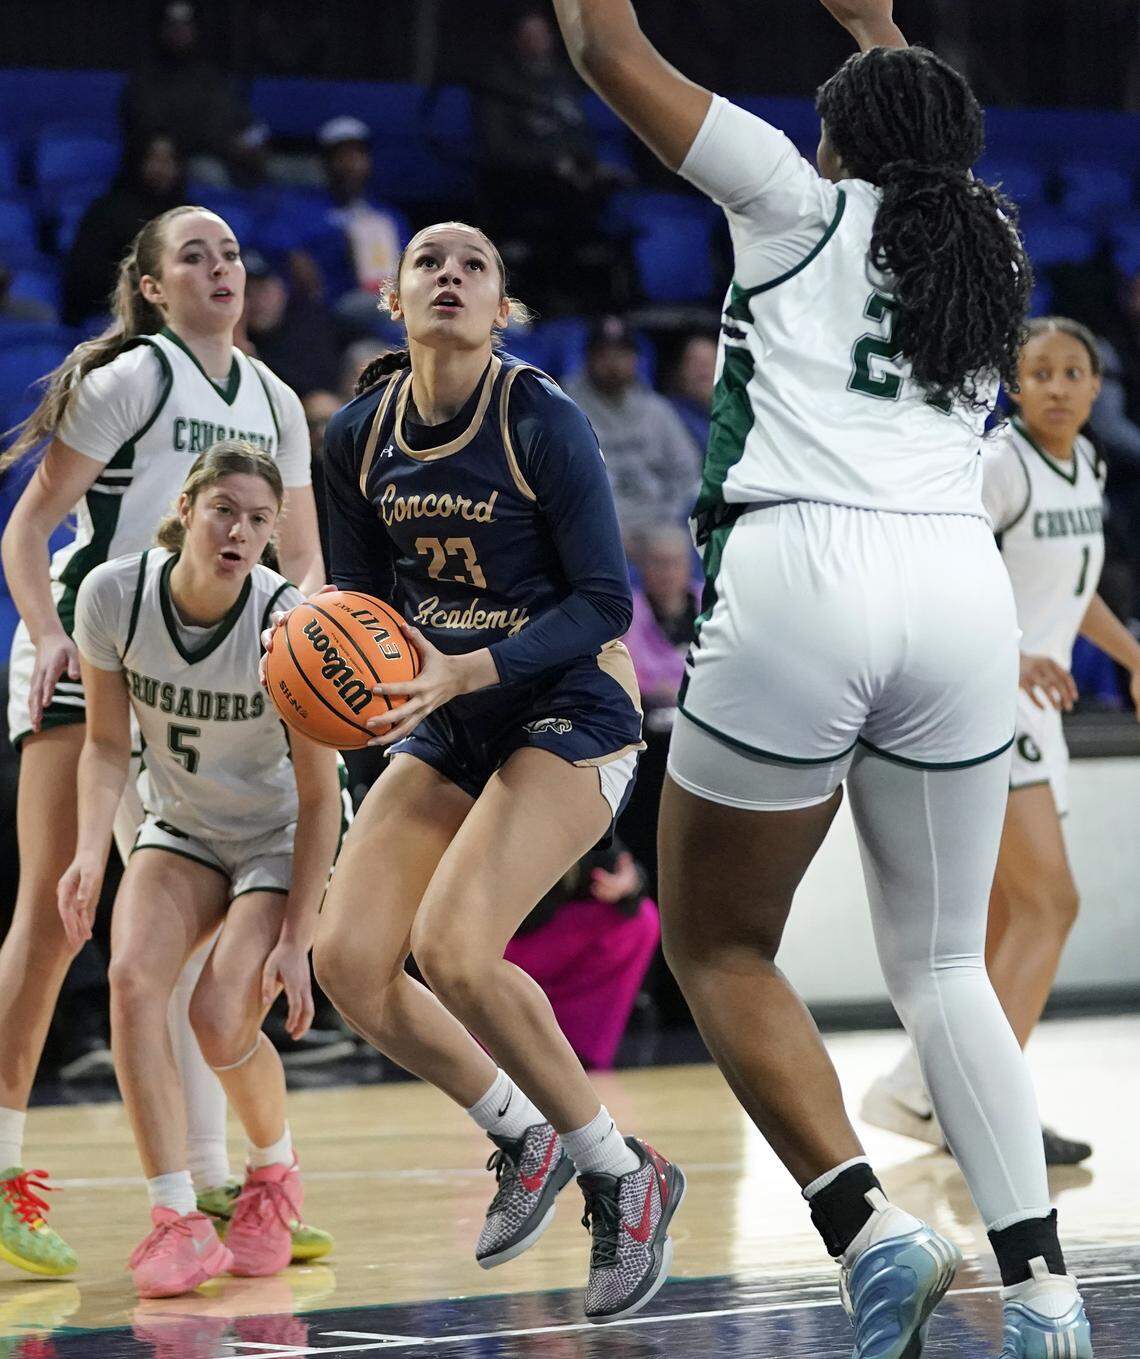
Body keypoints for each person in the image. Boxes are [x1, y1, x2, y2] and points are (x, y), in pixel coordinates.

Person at [552, 1, 1093, 1355]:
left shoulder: (792, 200)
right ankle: (1043, 1293)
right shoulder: (995, 241)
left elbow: (610, 52)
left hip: (803, 570)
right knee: (948, 957)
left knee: (721, 938)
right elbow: (930, 148)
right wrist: (882, 29)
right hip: (956, 590)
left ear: (838, 139)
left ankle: (867, 1219)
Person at [272, 220, 684, 1324]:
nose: (449, 274)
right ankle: (523, 1133)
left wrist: (469, 668)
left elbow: (605, 603)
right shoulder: (356, 438)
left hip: (572, 708)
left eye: (475, 265)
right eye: (429, 261)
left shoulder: (540, 419)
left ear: (501, 307)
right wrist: (372, 728)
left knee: (453, 947)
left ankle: (622, 1172)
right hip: (448, 716)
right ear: (394, 298)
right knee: (352, 959)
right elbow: (364, 625)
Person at [0, 204, 325, 1277]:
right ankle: (3, 1176)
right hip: (96, 656)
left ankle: (211, 1179)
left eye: (233, 250)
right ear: (150, 286)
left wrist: (319, 656)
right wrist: (44, 632)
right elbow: (28, 526)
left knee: (171, 953)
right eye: (195, 254)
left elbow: (310, 569)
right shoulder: (130, 380)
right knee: (59, 921)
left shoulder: (275, 398)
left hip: (204, 680)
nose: (222, 267)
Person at [57, 443, 342, 1298]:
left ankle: (272, 1174)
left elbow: (322, 794)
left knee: (221, 1019)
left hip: (276, 834)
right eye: (225, 509)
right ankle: (175, 1214)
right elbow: (108, 746)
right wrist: (86, 852)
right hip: (180, 823)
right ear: (187, 506)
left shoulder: (289, 624)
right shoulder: (114, 594)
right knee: (133, 976)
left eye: (260, 519)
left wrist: (297, 936)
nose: (240, 530)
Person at [863, 317, 1140, 1169]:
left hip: (1036, 708)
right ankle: (983, 1109)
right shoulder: (997, 463)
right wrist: (1010, 648)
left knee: (996, 919)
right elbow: (940, 562)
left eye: (1074, 372)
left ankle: (923, 1089)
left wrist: (1132, 655)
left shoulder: (1087, 466)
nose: (1058, 385)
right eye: (1041, 372)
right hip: (984, 695)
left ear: (1098, 389)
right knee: (1051, 903)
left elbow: (1073, 587)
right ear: (1013, 387)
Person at [563, 316, 700, 550]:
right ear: (588, 358)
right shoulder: (565, 409)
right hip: (595, 527)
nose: (613, 363)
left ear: (635, 359)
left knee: (672, 547)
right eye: (605, 355)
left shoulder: (657, 410)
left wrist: (668, 516)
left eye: (622, 355)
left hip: (658, 525)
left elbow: (688, 472)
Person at [62, 133, 186, 328]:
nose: (162, 169)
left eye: (169, 160)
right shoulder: (106, 212)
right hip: (115, 311)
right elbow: (87, 276)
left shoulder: (187, 214)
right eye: (155, 159)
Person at [665, 333, 718, 459]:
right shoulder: (666, 414)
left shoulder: (740, 414)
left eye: (712, 361)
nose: (704, 368)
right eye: (695, 361)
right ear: (680, 370)